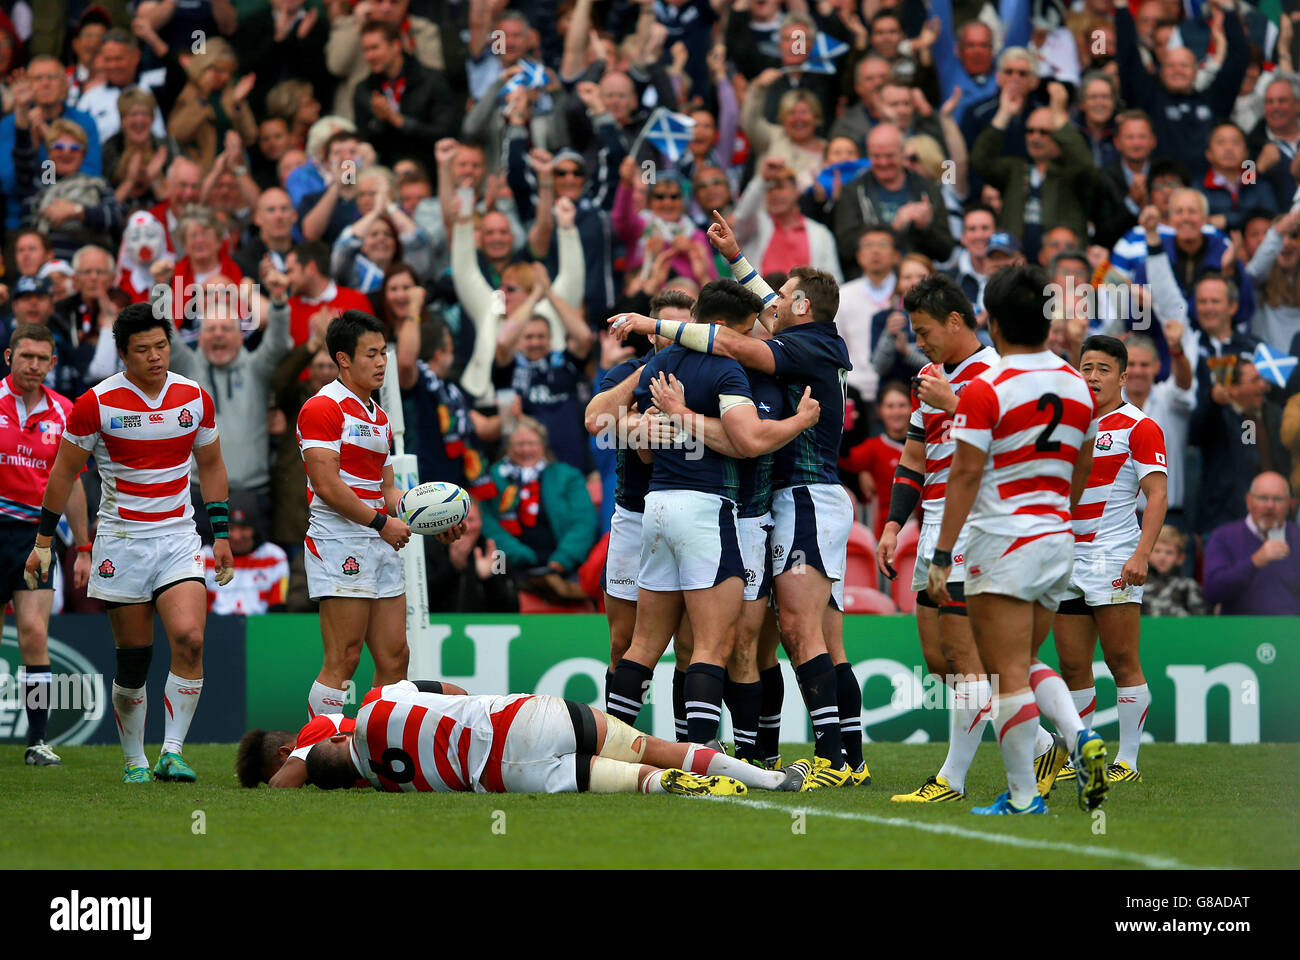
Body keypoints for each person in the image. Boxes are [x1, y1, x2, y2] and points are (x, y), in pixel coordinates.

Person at [610, 224, 862, 790]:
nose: (770, 306)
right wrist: (735, 257)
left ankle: (834, 758)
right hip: (738, 507)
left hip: (798, 496)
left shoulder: (809, 344)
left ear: (800, 306)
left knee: (791, 634)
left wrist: (654, 332)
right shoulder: (746, 358)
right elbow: (744, 435)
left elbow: (736, 335)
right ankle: (730, 760)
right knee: (736, 643)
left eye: (781, 296)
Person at [24, 303, 235, 783]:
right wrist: (43, 541)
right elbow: (62, 474)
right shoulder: (95, 404)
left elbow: (212, 464)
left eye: (161, 346)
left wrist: (219, 533)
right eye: (143, 350)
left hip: (179, 535)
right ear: (123, 354)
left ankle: (173, 751)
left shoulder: (194, 397)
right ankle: (135, 758)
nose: (156, 357)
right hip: (121, 541)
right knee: (134, 659)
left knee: (190, 638)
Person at [926, 263, 1107, 815]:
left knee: (1002, 671)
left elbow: (964, 474)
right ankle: (1079, 738)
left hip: (1002, 539)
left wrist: (940, 555)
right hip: (1057, 539)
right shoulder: (1078, 385)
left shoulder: (988, 387)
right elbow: (1082, 468)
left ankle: (1025, 797)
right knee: (1024, 659)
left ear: (994, 323)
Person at [878, 274, 1064, 803]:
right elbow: (915, 459)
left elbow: (1015, 446)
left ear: (956, 321)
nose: (920, 342)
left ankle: (951, 780)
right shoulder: (928, 377)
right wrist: (894, 523)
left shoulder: (997, 375)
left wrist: (955, 400)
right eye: (914, 332)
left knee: (968, 660)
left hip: (977, 524)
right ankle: (1050, 742)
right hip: (933, 520)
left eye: (925, 330)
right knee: (941, 659)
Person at [295, 309, 462, 719]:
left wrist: (429, 520)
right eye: (370, 354)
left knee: (394, 657)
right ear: (343, 359)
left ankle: (378, 746)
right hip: (340, 541)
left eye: (384, 353)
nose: (381, 362)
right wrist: (380, 523)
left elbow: (385, 489)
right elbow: (327, 485)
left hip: (380, 538)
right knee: (345, 656)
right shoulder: (322, 408)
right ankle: (323, 745)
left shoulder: (379, 416)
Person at [302, 679, 802, 796]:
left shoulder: (387, 786)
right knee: (653, 745)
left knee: (639, 776)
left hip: (507, 778)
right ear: (330, 744)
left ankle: (669, 785)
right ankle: (769, 780)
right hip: (516, 720)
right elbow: (449, 690)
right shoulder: (371, 705)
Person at [1052, 336, 1168, 787]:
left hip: (1114, 554)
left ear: (1123, 376)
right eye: (1086, 367)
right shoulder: (1066, 426)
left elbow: (1157, 495)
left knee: (1121, 659)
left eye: (1103, 369)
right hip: (1066, 556)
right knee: (1073, 666)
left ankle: (1128, 761)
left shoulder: (1139, 427)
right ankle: (1084, 755)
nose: (1093, 376)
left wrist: (1142, 553)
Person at [0, 324, 91, 766]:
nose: (34, 365)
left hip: (34, 538)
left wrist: (84, 547)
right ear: (8, 357)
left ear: (54, 363)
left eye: (42, 358)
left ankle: (37, 741)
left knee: (35, 633)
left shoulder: (65, 411)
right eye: (26, 356)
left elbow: (71, 483)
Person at [479, 417, 597, 590]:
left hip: (563, 568)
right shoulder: (492, 479)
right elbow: (486, 521)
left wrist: (564, 558)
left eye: (531, 443)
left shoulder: (567, 476)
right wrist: (518, 555)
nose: (526, 449)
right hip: (509, 567)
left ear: (543, 446)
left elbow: (584, 521)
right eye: (519, 444)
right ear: (508, 448)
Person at [1202, 471, 1300, 615]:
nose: (1270, 505)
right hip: (1240, 632)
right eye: (1263, 498)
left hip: (1290, 633)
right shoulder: (1223, 536)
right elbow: (1212, 592)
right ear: (1248, 501)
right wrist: (1254, 562)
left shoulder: (1297, 536)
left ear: (1291, 504)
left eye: (1278, 499)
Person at [200, 494, 289, 615]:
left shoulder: (275, 557)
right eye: (231, 528)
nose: (237, 536)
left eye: (244, 528)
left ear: (254, 528)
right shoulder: (204, 557)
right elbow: (199, 608)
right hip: (214, 629)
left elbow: (278, 608)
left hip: (260, 629)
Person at [1141, 525, 1210, 617]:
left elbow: (1202, 622)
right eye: (1157, 551)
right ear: (1148, 554)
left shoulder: (1188, 586)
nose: (1162, 557)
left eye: (1169, 552)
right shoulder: (1139, 587)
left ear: (1181, 558)